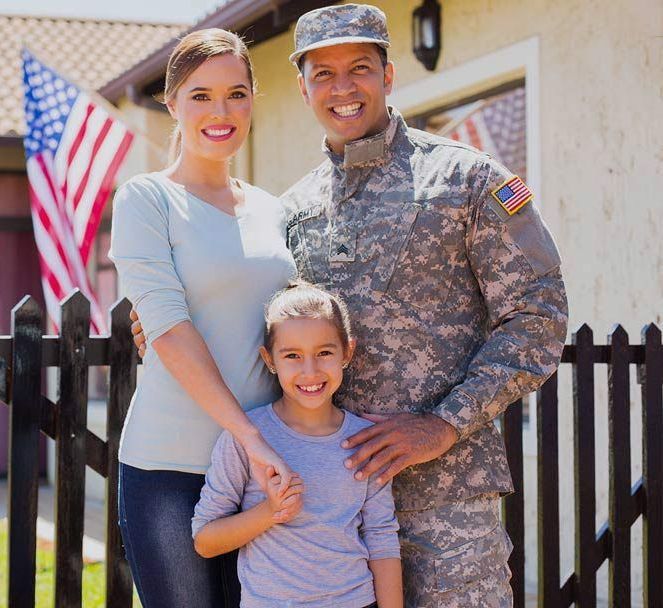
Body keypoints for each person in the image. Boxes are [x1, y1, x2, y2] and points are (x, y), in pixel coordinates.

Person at [131, 5, 568, 606]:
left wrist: (443, 424)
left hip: (447, 504)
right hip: (323, 515)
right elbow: (261, 310)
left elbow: (539, 315)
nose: (342, 88)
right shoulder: (293, 208)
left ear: (388, 76)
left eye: (359, 68)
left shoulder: (466, 179)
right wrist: (159, 323)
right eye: (323, 74)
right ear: (304, 87)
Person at [108, 29, 300, 608]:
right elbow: (166, 328)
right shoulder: (146, 199)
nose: (222, 111)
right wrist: (251, 439)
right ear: (171, 103)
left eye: (236, 94)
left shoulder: (276, 211)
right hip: (171, 468)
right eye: (200, 95)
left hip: (261, 474)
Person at [191, 282, 403, 608]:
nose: (310, 370)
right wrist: (270, 512)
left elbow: (382, 538)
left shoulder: (364, 439)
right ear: (269, 359)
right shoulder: (247, 437)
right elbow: (205, 540)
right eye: (292, 355)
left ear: (347, 352)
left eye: (324, 353)